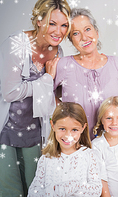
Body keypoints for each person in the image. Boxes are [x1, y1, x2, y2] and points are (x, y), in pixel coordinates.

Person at [0, 0, 71, 196]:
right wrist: (46, 79)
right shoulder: (15, 44)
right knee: (10, 190)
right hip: (6, 130)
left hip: (36, 132)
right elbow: (10, 93)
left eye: (64, 25)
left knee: (37, 188)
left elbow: (55, 94)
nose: (59, 31)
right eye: (52, 23)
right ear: (39, 21)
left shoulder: (58, 51)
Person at [53, 8, 118, 141]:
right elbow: (46, 95)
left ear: (96, 32)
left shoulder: (117, 64)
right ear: (71, 40)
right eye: (76, 33)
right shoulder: (64, 65)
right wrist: (64, 110)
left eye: (87, 29)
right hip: (76, 144)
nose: (84, 37)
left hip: (111, 145)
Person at [28, 102, 110, 196]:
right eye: (62, 129)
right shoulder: (45, 159)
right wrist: (53, 191)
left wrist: (71, 186)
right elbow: (33, 192)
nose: (68, 136)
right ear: (53, 125)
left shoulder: (91, 156)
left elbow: (96, 190)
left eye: (74, 130)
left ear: (83, 128)